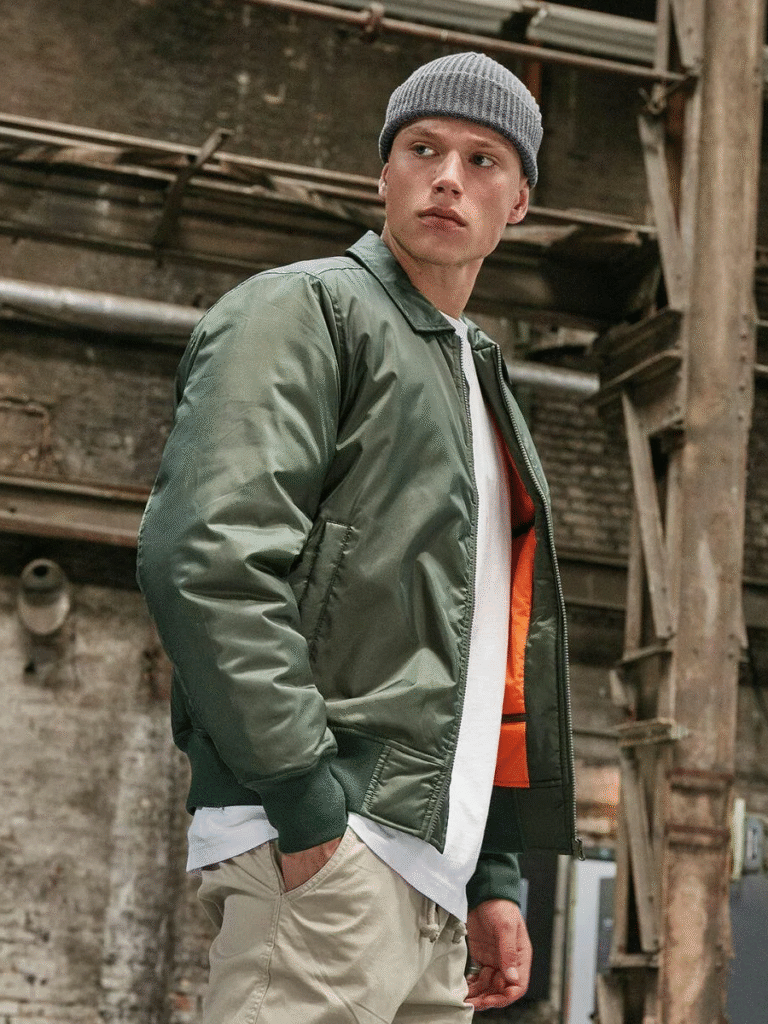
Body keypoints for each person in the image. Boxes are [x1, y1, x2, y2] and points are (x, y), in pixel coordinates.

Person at [137, 51, 578, 1023]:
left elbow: (481, 655)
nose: (449, 176)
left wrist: (493, 869)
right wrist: (306, 801)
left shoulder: (477, 379)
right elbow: (206, 557)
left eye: (483, 158)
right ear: (384, 173)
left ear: (521, 204)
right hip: (328, 852)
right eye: (423, 148)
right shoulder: (305, 310)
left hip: (432, 887)